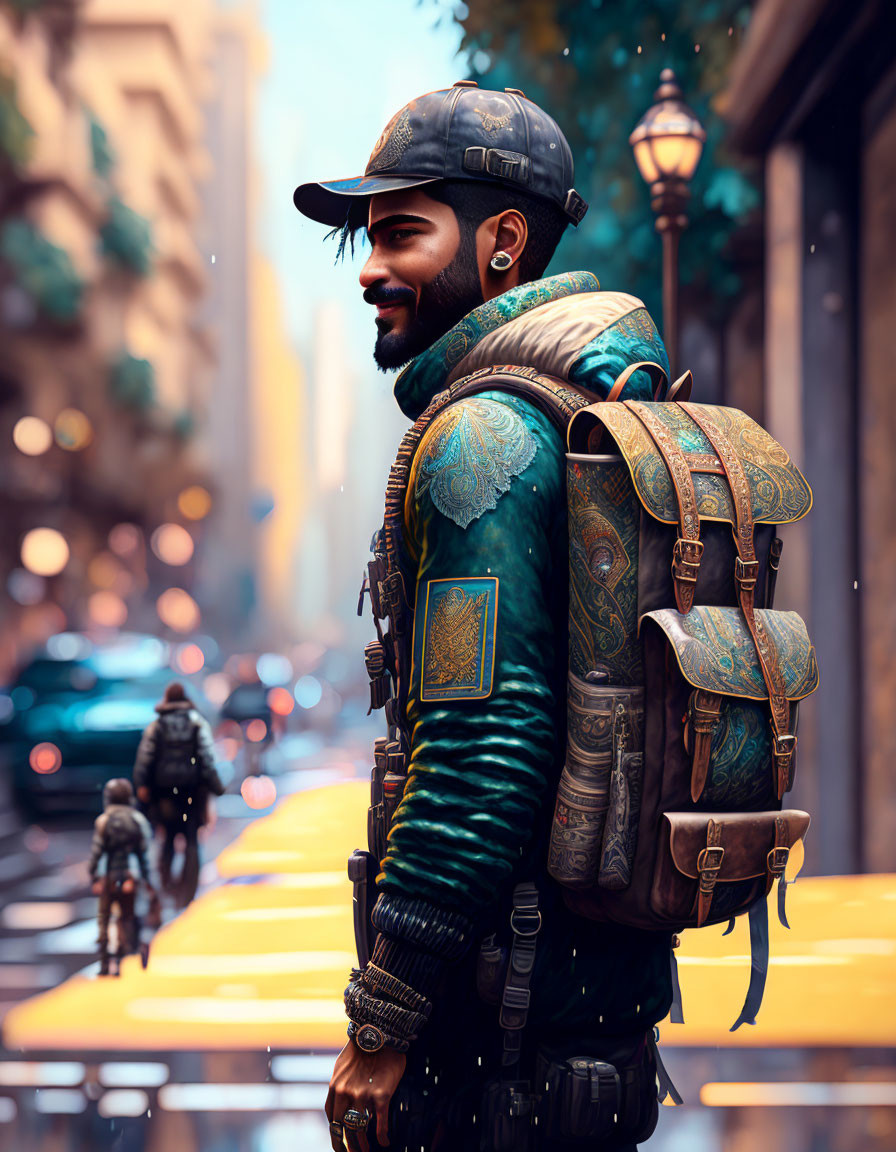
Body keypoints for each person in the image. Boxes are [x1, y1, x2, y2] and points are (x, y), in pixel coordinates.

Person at [294, 84, 673, 1151]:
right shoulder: (574, 412)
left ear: (503, 243)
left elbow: (478, 755)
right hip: (582, 1017)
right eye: (367, 240)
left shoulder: (479, 444)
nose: (370, 269)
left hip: (490, 1046)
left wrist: (383, 1022)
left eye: (401, 232)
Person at [133, 682, 224, 906]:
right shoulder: (197, 723)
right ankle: (188, 891)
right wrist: (215, 786)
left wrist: (143, 786)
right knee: (192, 839)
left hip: (164, 792)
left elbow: (145, 760)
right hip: (192, 791)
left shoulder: (156, 727)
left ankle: (167, 885)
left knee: (169, 837)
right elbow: (207, 759)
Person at [88, 777, 156, 976]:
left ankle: (103, 963)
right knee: (129, 917)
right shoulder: (137, 820)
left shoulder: (104, 821)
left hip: (109, 876)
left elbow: (97, 852)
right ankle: (124, 958)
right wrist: (147, 880)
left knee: (104, 919)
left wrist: (94, 876)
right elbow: (144, 855)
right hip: (130, 876)